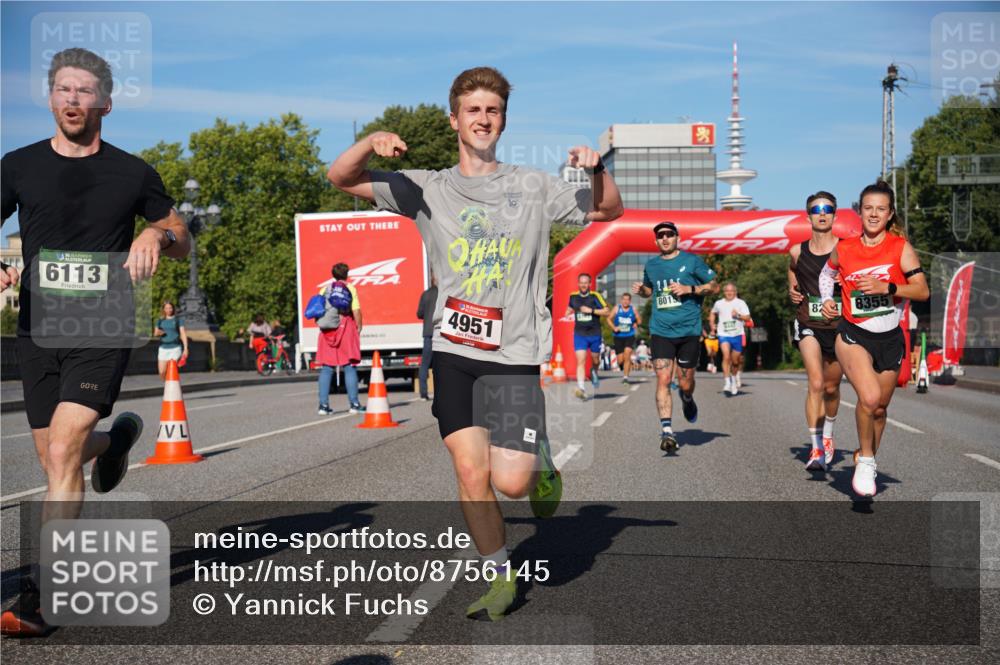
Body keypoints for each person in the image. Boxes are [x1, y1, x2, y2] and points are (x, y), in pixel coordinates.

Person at [327, 65, 622, 621]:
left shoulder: (533, 185)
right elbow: (340, 178)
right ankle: (499, 575)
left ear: (503, 120)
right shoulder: (425, 187)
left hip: (513, 353)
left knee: (510, 483)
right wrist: (370, 141)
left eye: (493, 110)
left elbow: (609, 210)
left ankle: (539, 457)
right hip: (455, 350)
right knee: (469, 471)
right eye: (473, 110)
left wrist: (597, 169)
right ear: (454, 120)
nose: (483, 119)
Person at [0, 48, 190, 637]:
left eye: (84, 91)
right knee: (55, 454)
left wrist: (157, 236)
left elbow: (182, 234)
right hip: (38, 329)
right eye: (64, 89)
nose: (73, 99)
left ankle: (42, 595)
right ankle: (112, 443)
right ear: (50, 99)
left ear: (105, 102)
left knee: (62, 452)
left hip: (103, 324)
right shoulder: (18, 165)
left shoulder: (132, 172)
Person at [819, 180, 929, 498]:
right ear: (859, 211)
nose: (874, 214)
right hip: (853, 334)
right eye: (868, 208)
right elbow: (827, 274)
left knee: (879, 409)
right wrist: (827, 299)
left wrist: (888, 288)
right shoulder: (845, 248)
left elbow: (922, 291)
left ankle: (865, 455)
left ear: (890, 213)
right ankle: (867, 462)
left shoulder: (899, 248)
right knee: (868, 399)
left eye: (881, 209)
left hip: (890, 338)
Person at [632, 221, 718, 453]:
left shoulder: (691, 261)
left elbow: (714, 286)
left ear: (677, 237)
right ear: (656, 240)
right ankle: (667, 431)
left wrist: (690, 289)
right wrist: (642, 291)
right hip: (661, 331)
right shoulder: (652, 265)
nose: (665, 238)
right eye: (660, 235)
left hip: (689, 331)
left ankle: (687, 398)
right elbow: (650, 290)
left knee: (685, 383)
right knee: (663, 379)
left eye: (669, 234)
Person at [788, 191, 843, 471]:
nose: (822, 214)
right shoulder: (797, 251)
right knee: (817, 383)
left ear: (835, 214)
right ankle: (816, 448)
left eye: (827, 209)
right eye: (816, 209)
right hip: (808, 322)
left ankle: (828, 435)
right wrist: (792, 289)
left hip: (839, 326)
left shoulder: (846, 248)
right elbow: (792, 270)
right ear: (808, 215)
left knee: (832, 388)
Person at [316, 263, 365, 415]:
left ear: (333, 275)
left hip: (327, 331)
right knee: (349, 366)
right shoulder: (350, 288)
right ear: (347, 274)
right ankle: (354, 404)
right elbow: (356, 310)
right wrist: (359, 327)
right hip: (345, 328)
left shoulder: (324, 289)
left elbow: (318, 310)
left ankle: (323, 406)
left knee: (327, 368)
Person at [566, 273, 609, 399]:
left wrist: (591, 311)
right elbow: (570, 307)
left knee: (596, 360)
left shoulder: (595, 296)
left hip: (595, 333)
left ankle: (594, 371)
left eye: (586, 283)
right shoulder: (573, 296)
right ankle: (581, 388)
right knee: (581, 361)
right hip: (580, 334)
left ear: (590, 284)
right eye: (581, 283)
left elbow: (607, 311)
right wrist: (567, 312)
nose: (583, 285)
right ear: (578, 283)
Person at [710, 283, 751, 396]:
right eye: (727, 291)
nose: (729, 293)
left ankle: (733, 380)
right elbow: (713, 313)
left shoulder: (740, 303)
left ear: (735, 292)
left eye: (731, 291)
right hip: (723, 334)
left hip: (737, 334)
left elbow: (748, 317)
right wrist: (712, 325)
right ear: (724, 292)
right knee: (726, 356)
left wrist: (738, 315)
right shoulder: (719, 303)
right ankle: (727, 382)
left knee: (735, 361)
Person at [608, 292, 641, 383]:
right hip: (618, 336)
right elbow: (608, 319)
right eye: (624, 299)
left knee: (627, 354)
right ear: (621, 300)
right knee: (620, 360)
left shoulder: (633, 309)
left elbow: (639, 320)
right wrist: (614, 328)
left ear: (630, 301)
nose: (625, 301)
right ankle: (623, 366)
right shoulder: (617, 308)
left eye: (627, 300)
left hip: (629, 335)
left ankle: (625, 377)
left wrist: (636, 323)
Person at [416, 276, 439, 401]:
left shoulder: (425, 294)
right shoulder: (443, 294)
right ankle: (441, 392)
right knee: (441, 364)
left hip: (428, 333)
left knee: (424, 364)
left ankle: (423, 393)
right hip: (440, 333)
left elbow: (419, 313)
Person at [153, 301, 188, 378]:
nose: (169, 310)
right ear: (163, 309)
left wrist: (185, 348)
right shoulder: (160, 320)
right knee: (162, 372)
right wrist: (160, 332)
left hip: (175, 348)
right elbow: (155, 333)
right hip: (163, 348)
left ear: (173, 308)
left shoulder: (178, 320)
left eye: (170, 308)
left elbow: (183, 334)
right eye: (166, 308)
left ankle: (172, 385)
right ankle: (167, 385)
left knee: (171, 370)